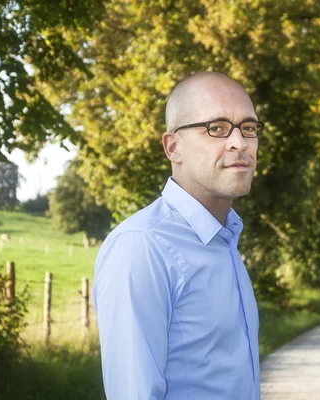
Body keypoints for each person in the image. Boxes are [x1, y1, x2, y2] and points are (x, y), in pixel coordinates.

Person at [93, 71, 262, 399]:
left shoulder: (225, 240)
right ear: (173, 147)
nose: (240, 142)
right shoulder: (143, 247)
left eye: (249, 128)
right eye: (217, 128)